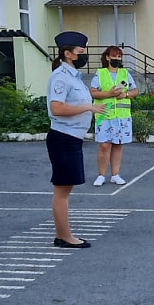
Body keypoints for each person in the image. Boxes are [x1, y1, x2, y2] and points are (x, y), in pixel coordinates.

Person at [46, 31, 108, 249]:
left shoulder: (74, 77)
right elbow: (57, 108)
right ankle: (64, 237)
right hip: (63, 138)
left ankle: (62, 234)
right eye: (80, 51)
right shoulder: (61, 77)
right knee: (62, 190)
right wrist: (88, 107)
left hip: (71, 138)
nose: (84, 55)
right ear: (68, 54)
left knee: (65, 188)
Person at [90, 46, 139, 187]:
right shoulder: (100, 73)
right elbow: (93, 92)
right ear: (107, 58)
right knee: (104, 145)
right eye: (114, 56)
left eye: (119, 56)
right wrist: (109, 94)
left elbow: (135, 90)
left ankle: (115, 175)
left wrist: (126, 94)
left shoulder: (125, 73)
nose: (117, 59)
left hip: (122, 116)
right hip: (103, 114)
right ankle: (101, 175)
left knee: (118, 144)